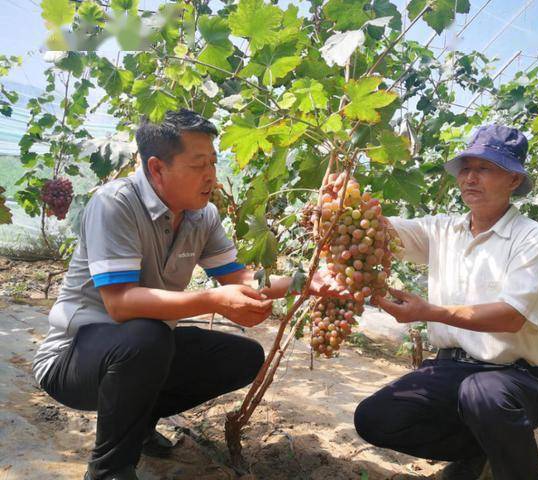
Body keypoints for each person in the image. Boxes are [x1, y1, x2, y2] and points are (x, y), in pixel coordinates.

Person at [32, 109, 340, 480]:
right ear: (157, 168)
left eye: (213, 162)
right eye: (198, 165)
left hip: (141, 352)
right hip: (73, 360)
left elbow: (238, 275)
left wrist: (303, 282)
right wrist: (212, 300)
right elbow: (120, 303)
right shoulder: (116, 203)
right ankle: (108, 470)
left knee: (240, 356)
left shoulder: (201, 215)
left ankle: (138, 423)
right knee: (148, 337)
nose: (211, 176)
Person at [354, 125, 538, 480]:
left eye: (485, 169)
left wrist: (429, 311)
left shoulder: (532, 238)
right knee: (375, 418)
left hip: (517, 377)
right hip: (453, 368)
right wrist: (345, 202)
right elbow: (382, 229)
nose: (470, 178)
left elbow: (511, 317)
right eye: (466, 168)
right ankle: (479, 450)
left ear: (513, 180)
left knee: (484, 394)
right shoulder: (443, 230)